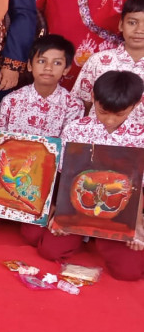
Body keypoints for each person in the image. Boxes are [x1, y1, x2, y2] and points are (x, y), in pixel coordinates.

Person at [23, 71, 144, 281]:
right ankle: (84, 237)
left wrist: (137, 225)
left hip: (120, 213)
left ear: (136, 104)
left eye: (120, 114)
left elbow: (139, 187)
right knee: (50, 251)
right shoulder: (76, 130)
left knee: (129, 272)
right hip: (77, 206)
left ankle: (103, 240)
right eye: (103, 111)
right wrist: (59, 215)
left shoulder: (141, 135)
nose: (109, 120)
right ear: (93, 97)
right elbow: (65, 176)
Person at [0, 34, 84, 233]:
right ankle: (4, 207)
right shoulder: (11, 101)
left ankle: (27, 212)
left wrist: (56, 201)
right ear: (29, 65)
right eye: (41, 61)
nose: (48, 68)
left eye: (57, 63)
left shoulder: (73, 107)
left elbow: (68, 160)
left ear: (66, 69)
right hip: (5, 177)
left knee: (33, 234)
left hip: (44, 185)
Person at [71, 0, 144, 109]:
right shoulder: (98, 61)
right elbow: (80, 106)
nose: (139, 30)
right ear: (121, 24)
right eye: (132, 23)